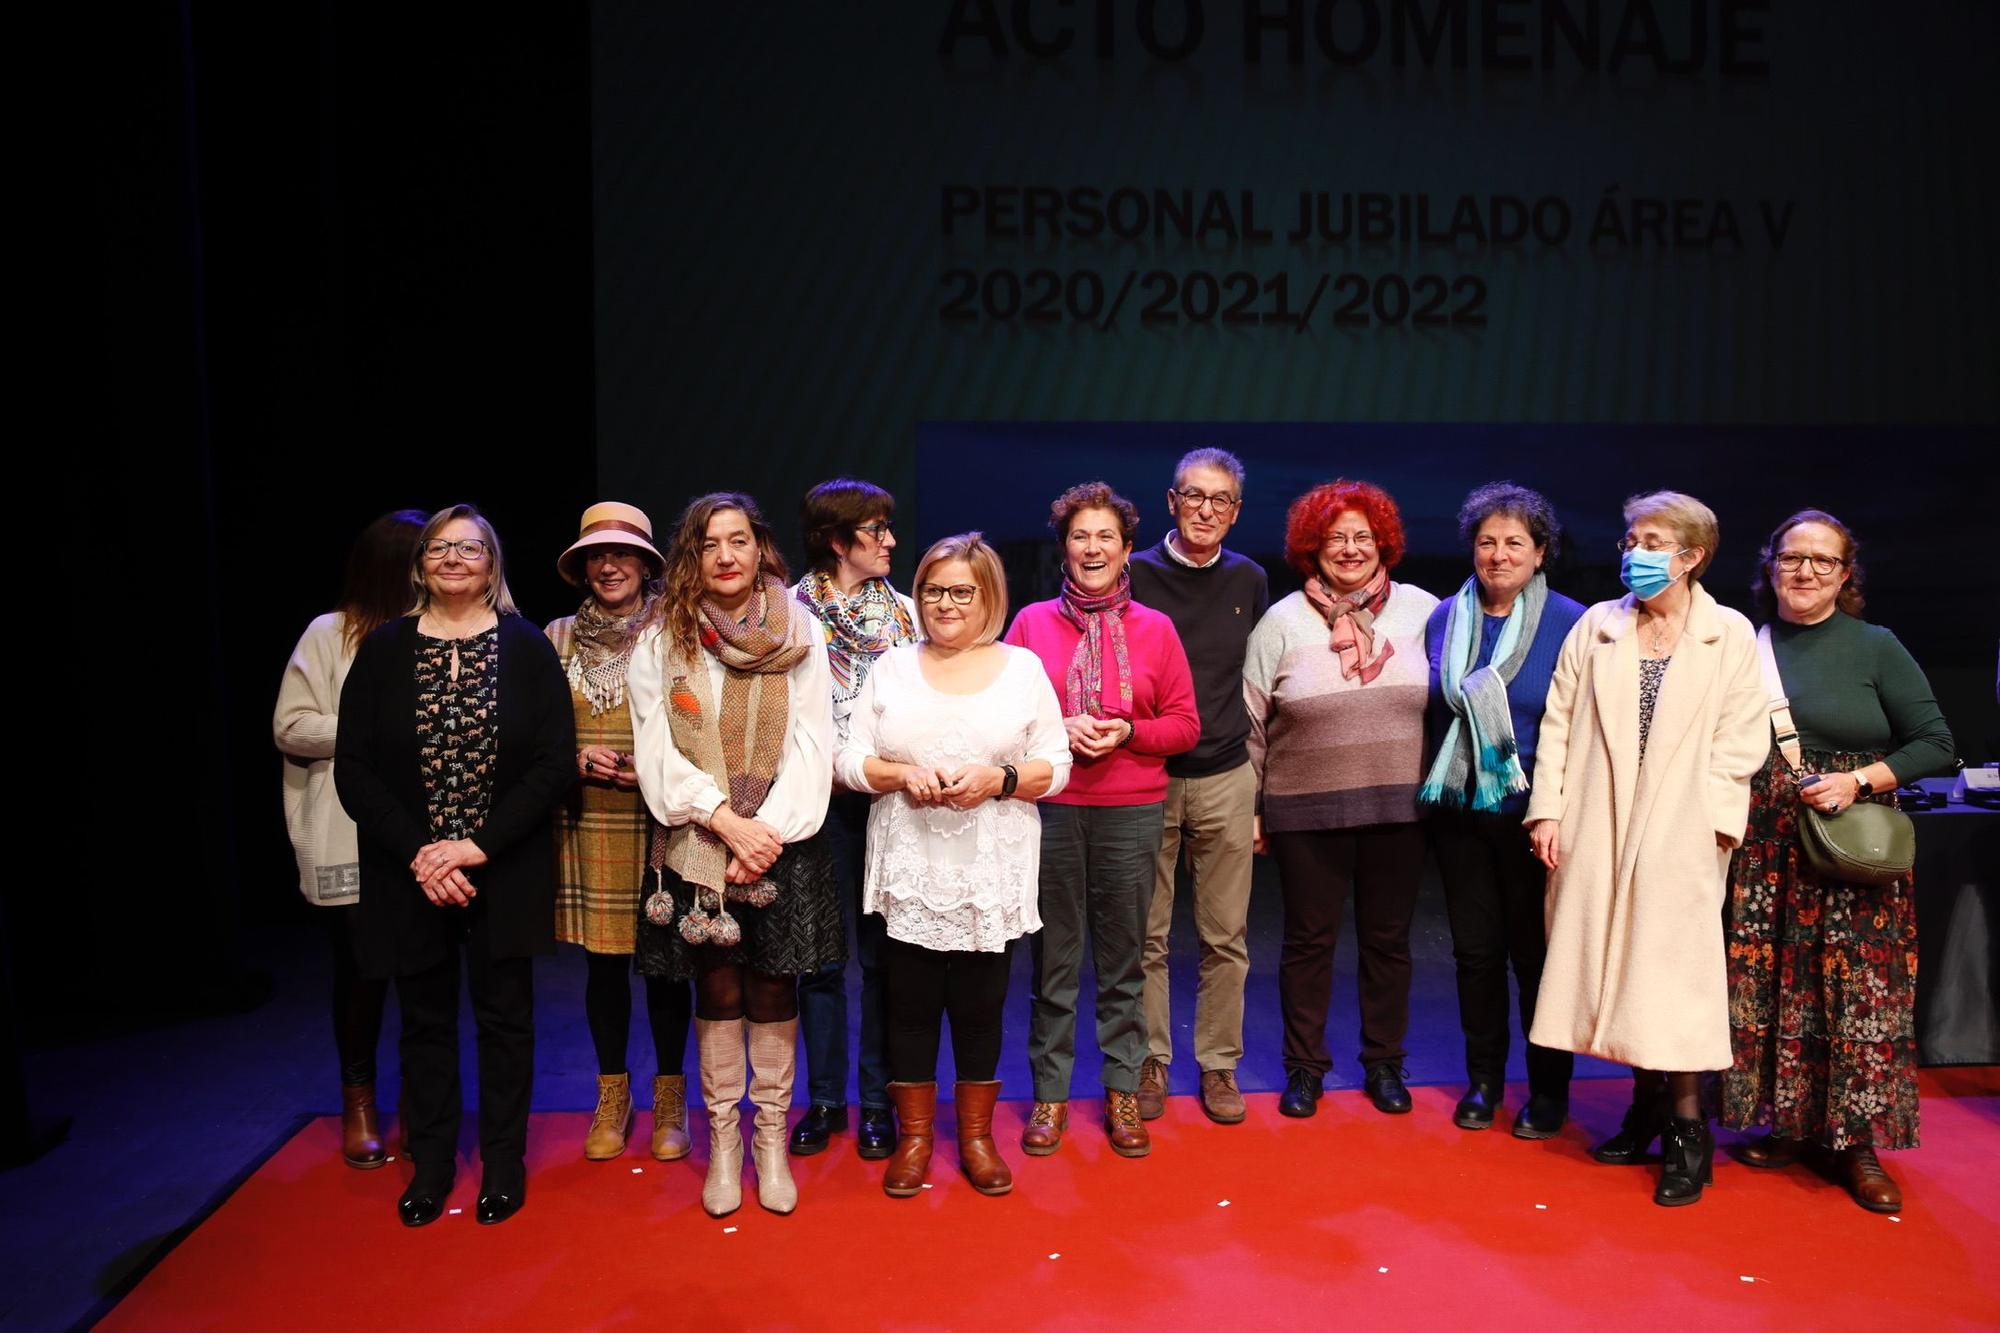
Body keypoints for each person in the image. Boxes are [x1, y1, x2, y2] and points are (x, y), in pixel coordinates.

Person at [335, 503, 575, 1228]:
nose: (452, 557)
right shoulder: (383, 650)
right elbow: (354, 768)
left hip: (500, 866)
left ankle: (503, 1161)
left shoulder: (528, 646)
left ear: (492, 564)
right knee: (424, 1022)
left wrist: (475, 846)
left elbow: (552, 764)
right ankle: (433, 1163)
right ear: (419, 565)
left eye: (469, 547)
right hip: (409, 872)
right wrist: (422, 852)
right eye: (439, 547)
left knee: (506, 1020)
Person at [1526, 490, 1769, 1207]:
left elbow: (1740, 742)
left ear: (1691, 556)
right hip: (1598, 818)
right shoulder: (1600, 627)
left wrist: (1716, 823)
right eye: (1631, 538)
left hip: (1682, 828)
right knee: (1615, 966)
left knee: (1674, 978)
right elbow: (1559, 724)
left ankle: (1689, 1131)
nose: (1634, 551)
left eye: (1653, 540)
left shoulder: (1727, 635)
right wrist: (1548, 811)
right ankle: (1645, 1110)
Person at [1722, 510, 1954, 1212]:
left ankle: (1856, 1142)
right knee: (1772, 991)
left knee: (1858, 997)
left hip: (1850, 850)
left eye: (1824, 561)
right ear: (1771, 566)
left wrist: (1860, 779)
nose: (1807, 572)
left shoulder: (1875, 645)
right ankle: (1791, 1123)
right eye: (1794, 558)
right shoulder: (1743, 646)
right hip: (1767, 854)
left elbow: (1936, 743)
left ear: (1846, 574)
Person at [834, 533, 1071, 1197]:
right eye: (933, 589)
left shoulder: (1022, 669)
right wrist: (903, 773)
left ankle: (975, 1137)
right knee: (906, 1005)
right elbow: (848, 760)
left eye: (960, 590)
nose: (944, 603)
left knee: (979, 1006)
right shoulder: (891, 667)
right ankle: (913, 1139)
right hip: (912, 864)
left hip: (987, 871)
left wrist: (996, 778)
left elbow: (1058, 764)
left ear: (988, 595)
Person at [627, 492, 840, 1218]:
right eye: (711, 543)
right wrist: (724, 821)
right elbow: (654, 748)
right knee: (716, 990)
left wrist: (764, 833)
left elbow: (814, 743)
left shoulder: (798, 629)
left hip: (781, 843)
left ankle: (771, 1141)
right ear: (693, 556)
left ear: (760, 549)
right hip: (698, 845)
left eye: (739, 540)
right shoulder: (665, 638)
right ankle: (724, 1144)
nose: (726, 555)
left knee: (776, 989)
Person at [1005, 481, 1199, 1158]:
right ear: (1064, 546)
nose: (1093, 548)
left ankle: (1121, 1093)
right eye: (1080, 535)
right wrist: (1062, 726)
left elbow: (1184, 725)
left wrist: (1125, 733)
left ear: (1126, 549)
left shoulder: (1157, 629)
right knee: (1053, 965)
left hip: (1131, 809)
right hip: (1053, 810)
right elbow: (1005, 719)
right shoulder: (1030, 624)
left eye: (1105, 537)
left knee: (1124, 965)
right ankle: (1051, 1098)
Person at [1246, 480, 1440, 1120]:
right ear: (1313, 548)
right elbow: (1251, 719)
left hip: (1398, 808)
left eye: (1362, 537)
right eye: (1335, 539)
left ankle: (1384, 1065)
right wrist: (1251, 806)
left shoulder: (1422, 611)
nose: (1351, 549)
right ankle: (1305, 1071)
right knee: (1308, 943)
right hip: (1306, 808)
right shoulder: (1281, 620)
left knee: (1388, 943)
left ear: (1382, 542)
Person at [1419, 484, 1586, 1138]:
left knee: (1536, 957)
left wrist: (1559, 812)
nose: (1498, 554)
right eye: (1487, 541)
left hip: (1534, 817)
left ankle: (1548, 1091)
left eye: (1515, 542)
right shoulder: (1443, 618)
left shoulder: (1573, 621)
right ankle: (1484, 1080)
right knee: (1475, 954)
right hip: (1459, 813)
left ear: (1540, 552)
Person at [274, 508, 425, 1170]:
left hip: (424, 834)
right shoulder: (329, 634)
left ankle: (426, 1101)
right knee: (363, 975)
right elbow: (291, 725)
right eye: (427, 556)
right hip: (351, 832)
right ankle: (359, 1099)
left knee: (428, 974)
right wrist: (370, 727)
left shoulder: (440, 632)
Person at [545, 502, 693, 1163]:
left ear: (645, 564)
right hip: (588, 817)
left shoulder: (677, 630)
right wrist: (574, 758)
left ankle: (670, 1097)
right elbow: (531, 731)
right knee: (603, 967)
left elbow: (703, 720)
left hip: (660, 814)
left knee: (666, 965)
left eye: (622, 553)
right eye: (595, 556)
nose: (609, 565)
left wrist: (659, 767)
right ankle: (612, 1093)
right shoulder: (554, 638)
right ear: (582, 569)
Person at [1129, 448, 1268, 1125]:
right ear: (1171, 501)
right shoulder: (1132, 576)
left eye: (1220, 500)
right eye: (1194, 496)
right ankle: (1151, 1060)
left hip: (1223, 775)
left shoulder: (1250, 578)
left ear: (1236, 511)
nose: (1206, 510)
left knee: (1226, 936)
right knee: (1145, 937)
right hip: (1146, 778)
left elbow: (1256, 685)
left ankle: (1219, 1064)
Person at [790, 479, 919, 1161]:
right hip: (813, 803)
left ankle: (876, 1101)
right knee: (818, 960)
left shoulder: (904, 614)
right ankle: (825, 1099)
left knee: (882, 959)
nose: (890, 540)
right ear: (838, 540)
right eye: (876, 529)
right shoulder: (787, 614)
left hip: (886, 799)